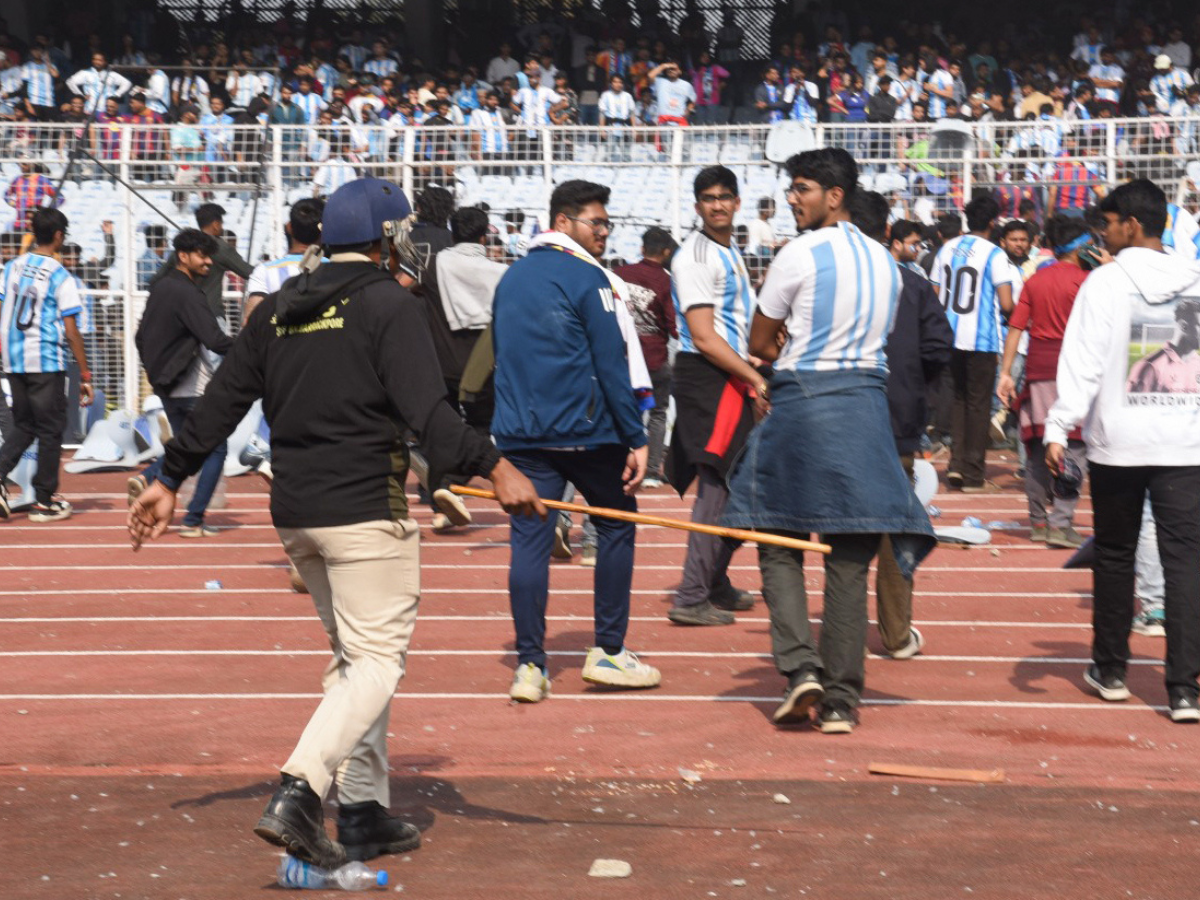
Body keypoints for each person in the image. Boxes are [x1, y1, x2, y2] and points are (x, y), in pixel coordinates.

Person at [127, 177, 544, 867]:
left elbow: (222, 401)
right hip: (362, 511)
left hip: (296, 516)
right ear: (386, 240)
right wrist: (494, 467)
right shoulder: (388, 305)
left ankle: (363, 813)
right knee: (378, 662)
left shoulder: (279, 308)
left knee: (355, 664)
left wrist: (168, 476)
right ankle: (299, 792)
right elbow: (429, 415)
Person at [722, 148, 936, 733]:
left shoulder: (799, 253)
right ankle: (841, 699)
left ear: (834, 195)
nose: (792, 198)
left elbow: (761, 342)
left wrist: (787, 342)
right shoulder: (888, 263)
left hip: (804, 403)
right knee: (849, 561)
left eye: (803, 189)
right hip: (866, 408)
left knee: (776, 540)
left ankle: (799, 669)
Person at [491, 179, 660, 703]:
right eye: (597, 222)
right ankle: (608, 651)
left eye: (608, 224)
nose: (605, 233)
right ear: (563, 223)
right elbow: (612, 362)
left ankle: (529, 666)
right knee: (615, 527)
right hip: (591, 433)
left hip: (523, 434)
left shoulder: (511, 278)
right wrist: (636, 434)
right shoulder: (590, 278)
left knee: (529, 545)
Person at [1044, 178, 1200, 724]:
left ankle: (1110, 671)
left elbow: (1082, 359)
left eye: (1106, 225)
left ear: (1131, 225)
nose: (1101, 235)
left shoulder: (1105, 283)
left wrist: (1059, 424)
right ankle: (1183, 688)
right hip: (1185, 441)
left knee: (1114, 555)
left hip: (1120, 439)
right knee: (1185, 562)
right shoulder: (1196, 279)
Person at [850, 190, 953, 661]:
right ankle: (894, 632)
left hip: (842, 420)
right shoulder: (910, 285)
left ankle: (843, 630)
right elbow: (937, 348)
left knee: (846, 529)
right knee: (895, 529)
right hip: (896, 421)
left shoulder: (828, 279)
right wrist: (914, 387)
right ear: (888, 233)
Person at [666, 166, 762, 627]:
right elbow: (704, 337)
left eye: (725, 197)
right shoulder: (695, 258)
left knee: (742, 484)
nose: (718, 204)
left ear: (738, 202)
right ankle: (691, 594)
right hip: (711, 377)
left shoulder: (730, 251)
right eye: (709, 198)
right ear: (698, 205)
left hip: (731, 374)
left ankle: (715, 580)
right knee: (719, 485)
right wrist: (756, 379)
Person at [129, 229, 234, 537]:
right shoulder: (188, 292)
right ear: (183, 256)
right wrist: (252, 350)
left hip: (167, 387)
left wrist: (157, 370)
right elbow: (214, 339)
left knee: (188, 446)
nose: (209, 262)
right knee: (215, 448)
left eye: (209, 256)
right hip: (193, 386)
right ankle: (194, 520)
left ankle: (150, 478)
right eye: (202, 256)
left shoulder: (160, 288)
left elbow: (139, 337)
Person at [998, 216, 1091, 549]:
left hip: (1038, 369)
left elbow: (1015, 327)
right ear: (1080, 246)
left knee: (1038, 445)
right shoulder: (1087, 280)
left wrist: (1006, 371)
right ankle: (1060, 522)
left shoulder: (1036, 280)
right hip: (1074, 370)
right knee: (1074, 446)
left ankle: (1038, 520)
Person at [0, 208, 93, 522]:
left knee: (24, 425)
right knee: (51, 429)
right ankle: (43, 500)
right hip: (44, 359)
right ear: (58, 236)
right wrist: (84, 372)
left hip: (13, 359)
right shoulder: (59, 274)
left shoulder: (11, 267)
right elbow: (71, 329)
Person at [931, 195, 1014, 492]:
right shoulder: (995, 254)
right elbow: (1005, 302)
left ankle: (955, 464)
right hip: (981, 339)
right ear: (993, 222)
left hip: (949, 335)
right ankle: (974, 474)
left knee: (958, 401)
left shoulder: (948, 248)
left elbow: (935, 292)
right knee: (979, 405)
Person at [614, 227, 678, 494]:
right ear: (666, 252)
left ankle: (621, 466)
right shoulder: (666, 281)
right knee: (658, 413)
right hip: (654, 359)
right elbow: (674, 326)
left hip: (623, 358)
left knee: (625, 413)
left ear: (642, 249)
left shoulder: (619, 274)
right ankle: (651, 471)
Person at [152, 203, 253, 320]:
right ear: (215, 224)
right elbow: (249, 272)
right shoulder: (220, 248)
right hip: (211, 315)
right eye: (221, 224)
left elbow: (156, 280)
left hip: (183, 317)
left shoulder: (183, 248)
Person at [244, 198, 325, 322]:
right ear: (323, 232)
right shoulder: (338, 270)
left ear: (289, 227)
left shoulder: (264, 272)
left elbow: (250, 321)